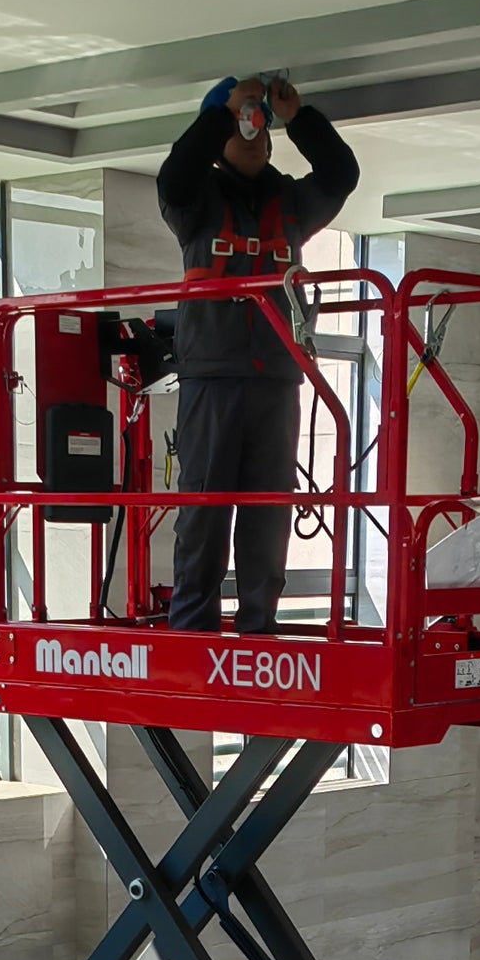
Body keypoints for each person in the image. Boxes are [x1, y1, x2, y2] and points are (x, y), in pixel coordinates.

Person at [156, 74, 358, 633]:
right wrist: (223, 110)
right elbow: (174, 175)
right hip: (212, 377)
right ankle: (193, 629)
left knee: (269, 510)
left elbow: (341, 175)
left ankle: (258, 627)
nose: (250, 133)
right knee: (205, 509)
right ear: (219, 134)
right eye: (238, 125)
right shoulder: (195, 201)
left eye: (258, 126)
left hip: (276, 378)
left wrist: (300, 120)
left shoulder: (290, 202)